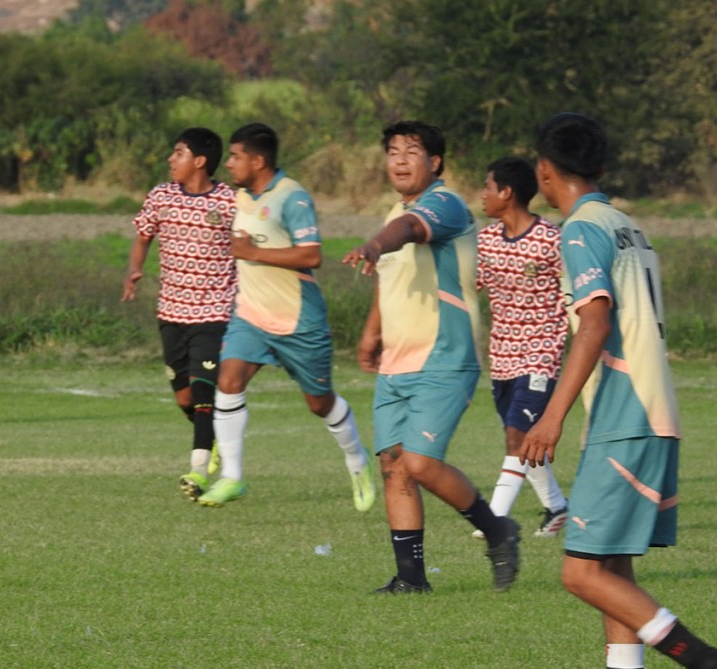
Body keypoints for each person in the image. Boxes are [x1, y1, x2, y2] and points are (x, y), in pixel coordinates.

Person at [519, 112, 717, 669]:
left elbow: (594, 320)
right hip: (653, 411)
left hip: (626, 415)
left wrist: (552, 416)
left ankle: (711, 664)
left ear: (544, 171)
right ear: (601, 166)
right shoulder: (628, 225)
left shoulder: (579, 230)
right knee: (610, 569)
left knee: (579, 573)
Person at [343, 120, 521, 593]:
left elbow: (407, 231)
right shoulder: (394, 212)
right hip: (398, 361)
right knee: (393, 464)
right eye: (393, 152)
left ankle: (498, 530)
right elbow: (391, 275)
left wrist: (374, 243)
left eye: (411, 151)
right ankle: (411, 578)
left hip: (444, 357)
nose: (399, 160)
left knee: (420, 463)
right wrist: (371, 333)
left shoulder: (444, 204)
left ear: (435, 162)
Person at [196, 122, 375, 512]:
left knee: (319, 403)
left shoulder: (292, 198)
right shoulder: (238, 197)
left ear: (258, 161)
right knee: (228, 380)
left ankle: (357, 461)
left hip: (298, 320)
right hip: (251, 315)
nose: (229, 164)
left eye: (236, 157)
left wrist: (253, 252)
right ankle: (232, 477)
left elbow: (312, 255)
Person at [122, 127, 237, 501]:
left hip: (215, 312)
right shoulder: (161, 196)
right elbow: (143, 237)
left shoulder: (229, 201)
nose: (170, 159)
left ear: (199, 161)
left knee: (203, 390)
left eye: (178, 152)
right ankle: (211, 437)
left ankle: (198, 471)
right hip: (171, 312)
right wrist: (134, 270)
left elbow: (250, 245)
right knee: (185, 398)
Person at [473, 156, 569, 539]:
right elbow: (469, 287)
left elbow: (577, 289)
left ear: (507, 192)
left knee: (516, 436)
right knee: (524, 440)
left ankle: (493, 521)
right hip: (502, 358)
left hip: (541, 355)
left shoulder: (550, 240)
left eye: (487, 187)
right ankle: (557, 507)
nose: (482, 195)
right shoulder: (486, 241)